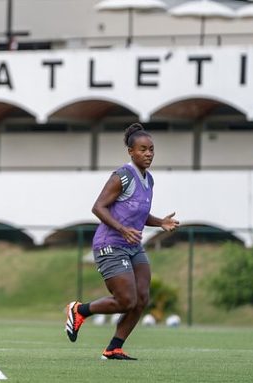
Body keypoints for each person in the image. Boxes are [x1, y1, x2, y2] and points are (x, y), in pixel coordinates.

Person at [65, 123, 179, 360]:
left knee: (142, 298)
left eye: (151, 149)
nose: (148, 154)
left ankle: (114, 347)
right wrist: (122, 228)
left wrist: (160, 222)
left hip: (132, 246)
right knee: (126, 300)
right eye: (142, 149)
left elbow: (138, 213)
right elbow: (98, 207)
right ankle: (79, 310)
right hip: (110, 244)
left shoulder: (149, 180)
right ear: (131, 151)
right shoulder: (122, 176)